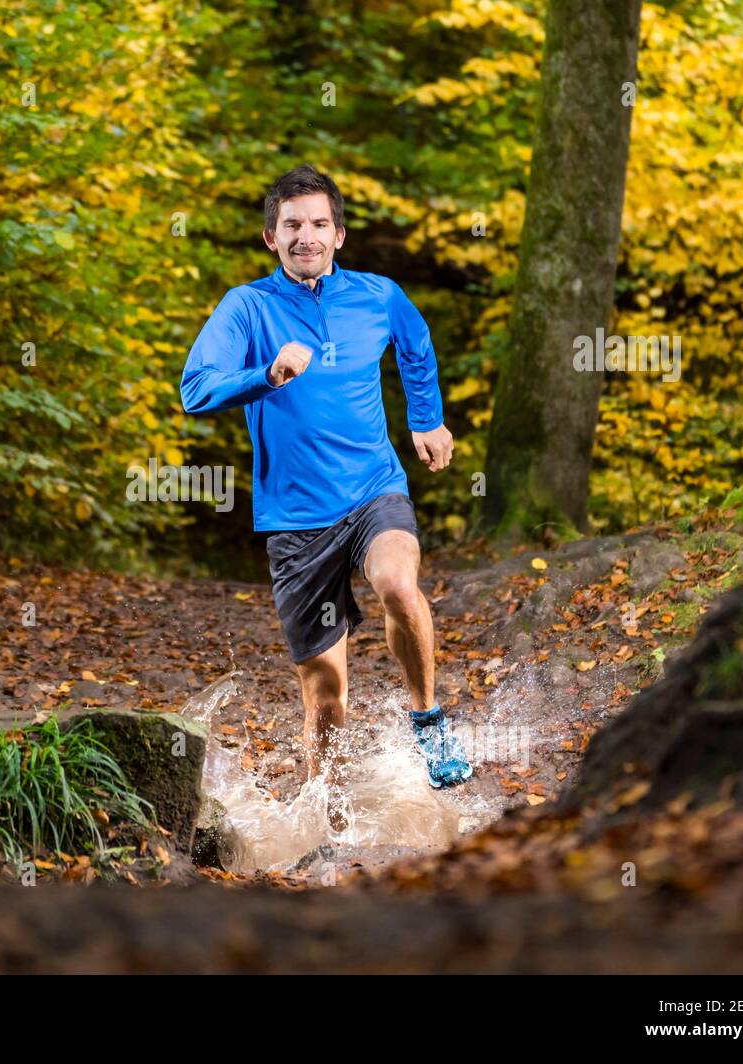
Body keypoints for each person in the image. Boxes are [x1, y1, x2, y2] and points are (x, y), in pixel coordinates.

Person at [179, 164, 471, 823]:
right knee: (327, 699)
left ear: (338, 235)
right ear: (270, 238)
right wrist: (265, 373)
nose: (305, 235)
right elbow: (195, 389)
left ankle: (428, 718)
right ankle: (329, 826)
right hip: (295, 517)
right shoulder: (246, 308)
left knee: (398, 584)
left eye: (317, 224)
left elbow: (416, 344)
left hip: (374, 489)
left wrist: (425, 418)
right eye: (291, 225)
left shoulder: (378, 295)